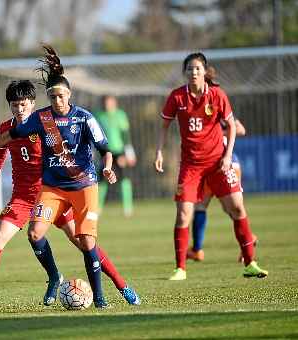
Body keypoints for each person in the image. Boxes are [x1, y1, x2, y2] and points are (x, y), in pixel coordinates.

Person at [0, 45, 140, 308]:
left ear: (33, 103)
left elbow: (78, 149)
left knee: (84, 243)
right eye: (14, 105)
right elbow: (0, 154)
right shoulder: (7, 129)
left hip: (51, 191)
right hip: (23, 197)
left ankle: (122, 285)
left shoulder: (45, 123)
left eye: (23, 104)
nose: (19, 109)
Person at [154, 52, 268, 280]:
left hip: (218, 163)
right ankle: (180, 269)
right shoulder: (177, 97)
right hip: (191, 166)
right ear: (184, 73)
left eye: (197, 69)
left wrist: (227, 157)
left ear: (205, 72)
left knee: (236, 207)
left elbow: (233, 127)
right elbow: (165, 125)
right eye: (189, 69)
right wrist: (159, 151)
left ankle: (250, 262)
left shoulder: (217, 95)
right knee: (184, 214)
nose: (193, 73)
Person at [187, 117, 257, 263]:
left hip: (224, 162)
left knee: (229, 207)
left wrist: (219, 132)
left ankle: (198, 250)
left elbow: (241, 130)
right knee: (207, 205)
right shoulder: (206, 113)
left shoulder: (220, 112)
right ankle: (197, 250)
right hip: (218, 163)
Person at [95, 95, 136, 217]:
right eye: (106, 103)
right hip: (105, 152)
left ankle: (127, 208)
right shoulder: (99, 116)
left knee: (124, 178)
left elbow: (125, 135)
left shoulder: (120, 115)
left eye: (110, 103)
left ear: (114, 103)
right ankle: (98, 208)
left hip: (119, 152)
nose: (107, 105)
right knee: (102, 180)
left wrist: (129, 153)